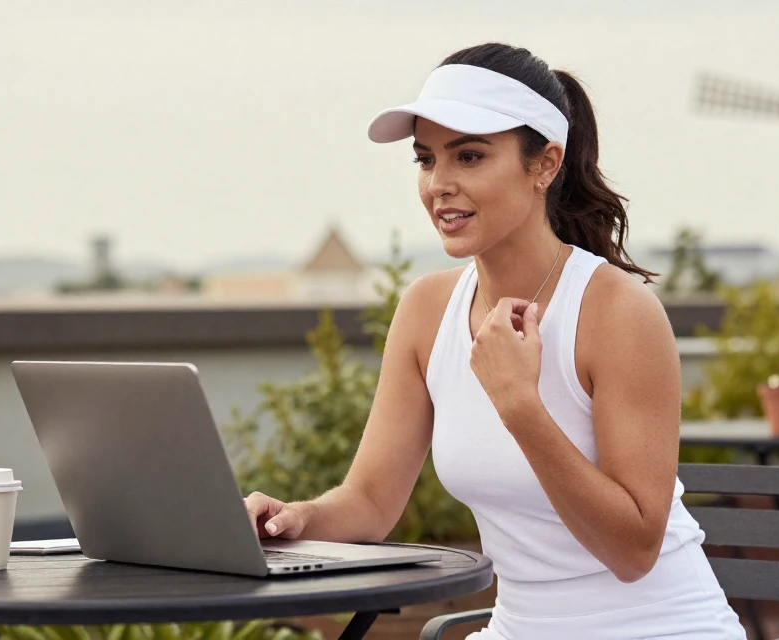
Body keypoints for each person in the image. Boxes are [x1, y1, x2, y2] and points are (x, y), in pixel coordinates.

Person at [245, 42, 747, 639]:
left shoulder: (618, 313)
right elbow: (373, 501)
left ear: (545, 164)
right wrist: (296, 519)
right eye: (426, 160)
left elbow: (635, 551)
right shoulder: (426, 310)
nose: (440, 185)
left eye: (471, 156)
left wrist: (519, 404)